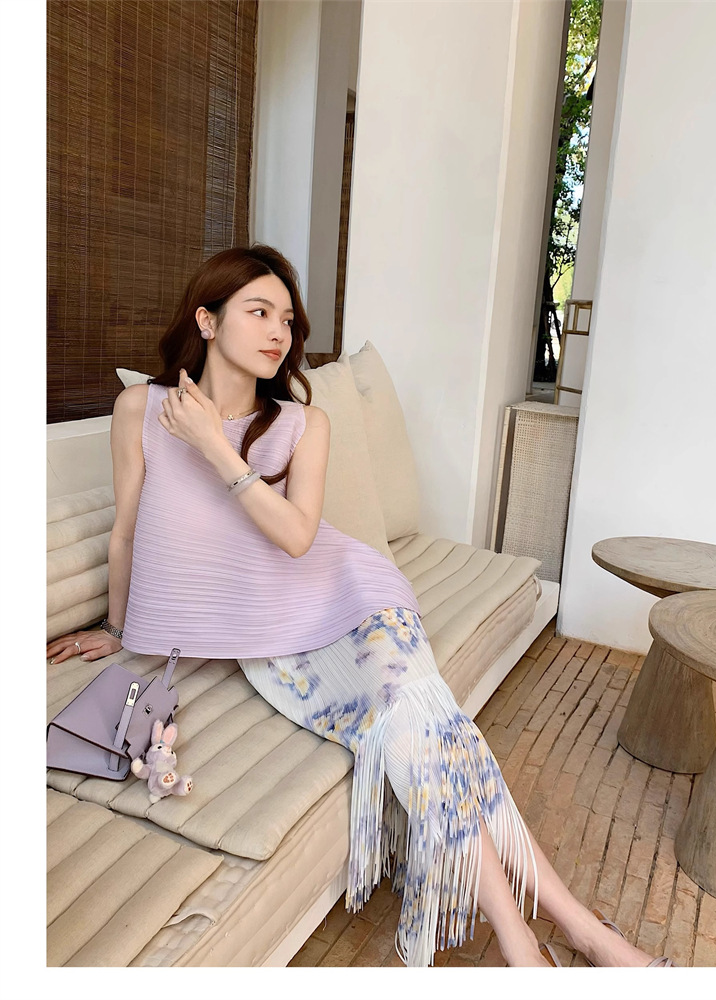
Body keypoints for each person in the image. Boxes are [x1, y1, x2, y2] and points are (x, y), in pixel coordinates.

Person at [47, 245, 674, 969]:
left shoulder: (303, 424)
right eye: (258, 311)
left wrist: (217, 449)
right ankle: (576, 936)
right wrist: (118, 628)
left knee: (415, 711)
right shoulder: (141, 410)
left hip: (351, 596)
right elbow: (127, 531)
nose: (278, 331)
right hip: (274, 638)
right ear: (207, 320)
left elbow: (296, 537)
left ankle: (528, 947)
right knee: (425, 733)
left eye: (287, 318)